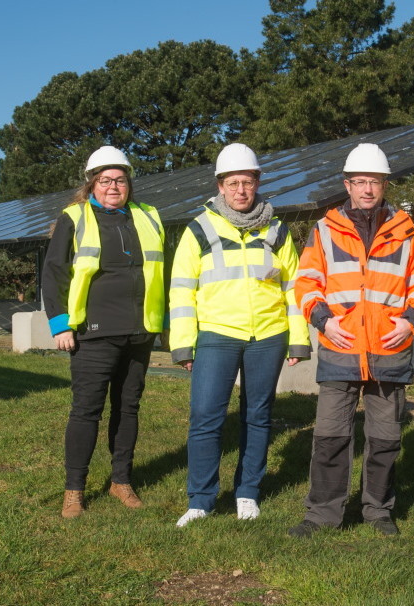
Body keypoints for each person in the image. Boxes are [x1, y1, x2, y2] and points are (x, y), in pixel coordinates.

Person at [288, 143, 414, 538]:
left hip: (389, 349)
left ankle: (378, 511)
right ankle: (322, 515)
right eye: (360, 182)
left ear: (384, 184)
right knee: (331, 437)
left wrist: (411, 321)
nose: (368, 189)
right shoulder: (324, 229)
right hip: (340, 347)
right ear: (347, 184)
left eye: (375, 181)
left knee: (385, 440)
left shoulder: (408, 231)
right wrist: (322, 320)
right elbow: (304, 283)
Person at [170, 143, 311, 527]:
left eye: (247, 182)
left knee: (258, 415)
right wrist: (183, 342)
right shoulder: (199, 228)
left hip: (268, 335)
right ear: (220, 186)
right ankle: (200, 499)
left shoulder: (277, 229)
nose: (241, 190)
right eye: (233, 183)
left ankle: (247, 492)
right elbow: (182, 289)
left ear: (257, 182)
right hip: (216, 334)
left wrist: (298, 338)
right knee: (205, 416)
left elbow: (293, 289)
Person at [42, 145, 166, 518]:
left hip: (139, 331)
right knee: (86, 411)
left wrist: (163, 326)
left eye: (120, 180)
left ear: (129, 184)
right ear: (92, 184)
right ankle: (74, 490)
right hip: (93, 333)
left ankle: (121, 481)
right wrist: (60, 323)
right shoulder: (74, 217)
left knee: (128, 408)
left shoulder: (149, 215)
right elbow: (54, 273)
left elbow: (161, 270)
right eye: (105, 180)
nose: (113, 186)